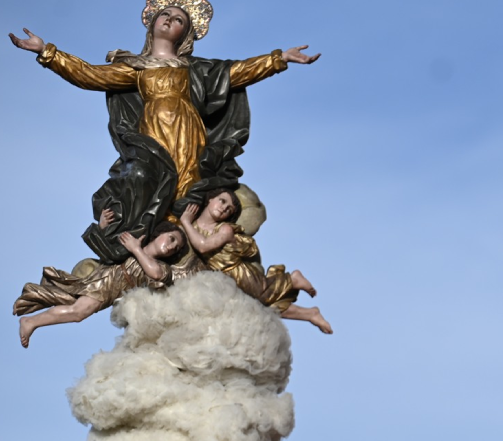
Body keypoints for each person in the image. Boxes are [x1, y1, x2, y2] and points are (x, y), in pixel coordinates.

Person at [7, 0, 319, 264]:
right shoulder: (135, 67)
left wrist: (278, 59)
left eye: (179, 19)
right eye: (165, 15)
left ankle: (183, 237)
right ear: (153, 23)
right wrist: (47, 52)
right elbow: (90, 75)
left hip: (188, 130)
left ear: (187, 32)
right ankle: (145, 237)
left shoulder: (195, 69)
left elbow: (236, 73)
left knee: (187, 181)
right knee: (149, 178)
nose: (170, 20)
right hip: (152, 132)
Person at [14, 220, 201, 348]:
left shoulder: (158, 265)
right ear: (158, 234)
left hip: (114, 291)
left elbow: (156, 274)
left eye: (175, 248)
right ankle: (31, 322)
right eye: (171, 238)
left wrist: (136, 249)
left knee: (75, 308)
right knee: (79, 312)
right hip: (108, 280)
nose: (171, 246)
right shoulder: (134, 240)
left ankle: (32, 321)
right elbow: (109, 242)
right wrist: (103, 223)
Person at [178, 188, 333, 333]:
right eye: (222, 201)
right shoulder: (194, 228)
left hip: (237, 273)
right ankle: (309, 314)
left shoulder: (225, 229)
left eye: (229, 209)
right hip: (223, 280)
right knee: (262, 308)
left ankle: (292, 280)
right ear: (210, 199)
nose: (224, 207)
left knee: (263, 296)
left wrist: (185, 221)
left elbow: (203, 247)